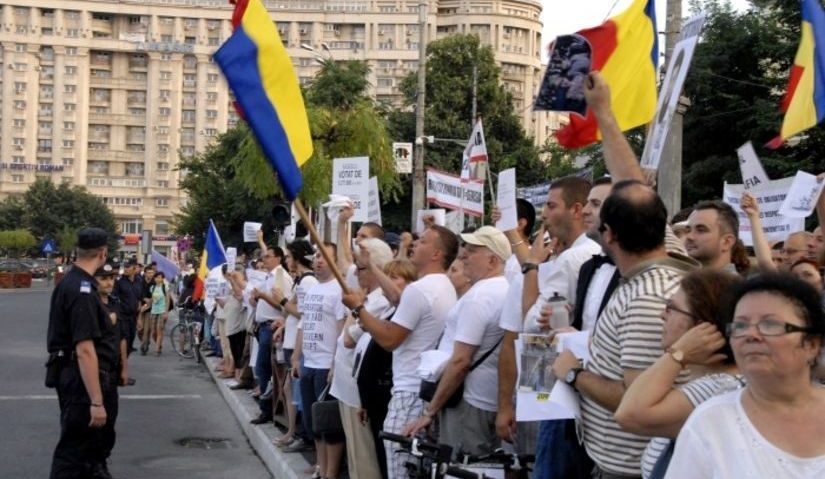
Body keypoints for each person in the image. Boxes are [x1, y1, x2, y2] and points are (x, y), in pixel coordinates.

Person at [551, 71, 698, 478]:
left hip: (628, 468)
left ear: (610, 235)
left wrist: (573, 372)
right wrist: (603, 112)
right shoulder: (670, 253)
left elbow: (634, 397)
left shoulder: (648, 299)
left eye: (598, 214)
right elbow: (630, 180)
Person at [665, 273, 825, 478]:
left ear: (811, 344)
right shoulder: (710, 423)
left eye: (770, 325)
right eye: (740, 326)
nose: (752, 335)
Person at [342, 224, 458, 479]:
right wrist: (371, 265)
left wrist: (358, 310)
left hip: (408, 392)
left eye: (424, 241)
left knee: (399, 470)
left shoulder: (421, 289)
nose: (415, 244)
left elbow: (390, 339)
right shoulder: (442, 285)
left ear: (437, 254)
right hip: (422, 390)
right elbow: (397, 298)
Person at [613, 270, 744, 478]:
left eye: (672, 308)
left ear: (703, 328)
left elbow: (628, 414)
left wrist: (678, 354)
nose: (662, 315)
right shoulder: (720, 381)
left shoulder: (720, 387)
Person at [403, 226, 511, 457]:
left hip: (467, 402)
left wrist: (430, 411)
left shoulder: (479, 297)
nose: (463, 255)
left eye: (472, 251)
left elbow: (461, 361)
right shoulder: (506, 289)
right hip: (488, 398)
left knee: (460, 466)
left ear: (492, 260)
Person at [47, 228, 119, 479]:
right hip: (82, 381)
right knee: (74, 452)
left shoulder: (74, 282)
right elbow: (85, 350)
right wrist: (97, 402)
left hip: (80, 378)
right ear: (103, 253)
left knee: (91, 452)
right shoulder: (81, 290)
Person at [334, 238, 395, 479]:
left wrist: (356, 308)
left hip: (357, 390)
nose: (356, 274)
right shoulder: (368, 298)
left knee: (364, 459)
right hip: (346, 386)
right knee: (356, 456)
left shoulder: (379, 301)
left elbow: (349, 338)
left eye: (360, 268)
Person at [292, 242, 349, 479]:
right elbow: (304, 323)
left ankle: (330, 473)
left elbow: (340, 330)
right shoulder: (313, 289)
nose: (318, 260)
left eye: (324, 256)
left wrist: (336, 363)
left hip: (326, 364)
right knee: (313, 421)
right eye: (316, 256)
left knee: (328, 423)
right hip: (308, 362)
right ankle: (320, 466)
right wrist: (296, 357)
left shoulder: (338, 290)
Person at [272, 239, 317, 451]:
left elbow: (303, 313)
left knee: (296, 391)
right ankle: (293, 431)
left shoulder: (308, 282)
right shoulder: (301, 280)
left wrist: (281, 301)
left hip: (299, 343)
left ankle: (301, 434)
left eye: (289, 256)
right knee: (290, 389)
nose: (286, 260)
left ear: (298, 257)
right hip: (291, 338)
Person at [249, 241, 293, 424]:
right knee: (263, 369)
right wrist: (255, 299)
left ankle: (267, 410)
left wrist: (263, 296)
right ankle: (267, 408)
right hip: (263, 327)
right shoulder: (268, 276)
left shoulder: (281, 277)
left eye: (267, 256)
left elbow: (282, 305)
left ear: (278, 258)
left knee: (265, 369)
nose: (263, 259)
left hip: (271, 327)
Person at [684, 200, 748, 274]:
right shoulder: (681, 281)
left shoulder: (736, 285)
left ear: (727, 242)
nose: (689, 236)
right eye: (688, 230)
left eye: (701, 230)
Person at [113, 258, 142, 358]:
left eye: (128, 267)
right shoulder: (119, 282)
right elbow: (114, 299)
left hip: (133, 317)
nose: (125, 269)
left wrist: (139, 318)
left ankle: (124, 361)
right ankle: (120, 365)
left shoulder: (138, 281)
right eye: (125, 267)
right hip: (122, 316)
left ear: (134, 268)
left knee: (130, 342)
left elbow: (139, 299)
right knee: (124, 339)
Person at [141, 271, 171, 356]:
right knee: (153, 331)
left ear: (162, 279)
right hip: (153, 311)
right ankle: (159, 344)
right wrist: (145, 306)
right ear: (154, 278)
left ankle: (157, 350)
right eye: (157, 277)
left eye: (160, 277)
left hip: (162, 311)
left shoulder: (165, 287)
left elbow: (167, 300)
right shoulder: (152, 288)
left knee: (159, 330)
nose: (158, 279)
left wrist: (166, 312)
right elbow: (152, 300)